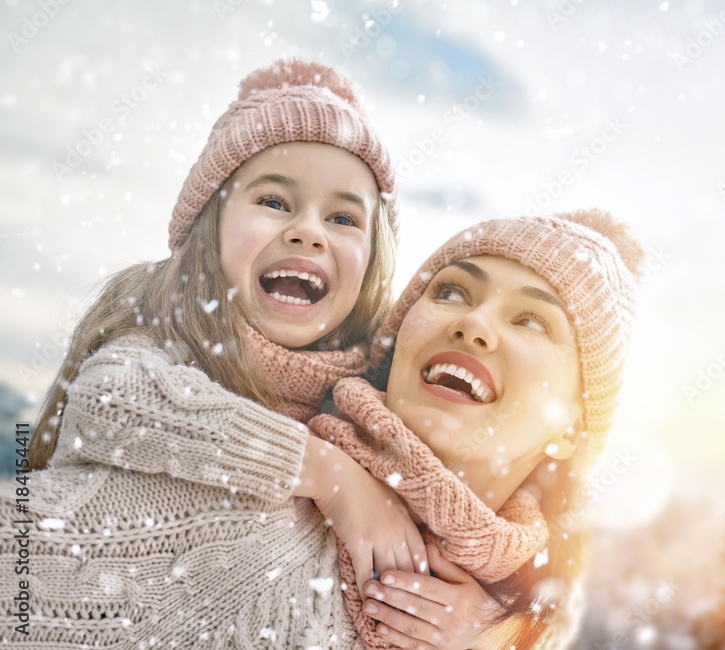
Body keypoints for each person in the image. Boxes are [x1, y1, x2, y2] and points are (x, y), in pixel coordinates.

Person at [5, 58, 428, 648]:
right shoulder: (167, 331)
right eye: (275, 202)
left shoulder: (371, 395)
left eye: (342, 217)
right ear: (211, 225)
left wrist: (487, 623)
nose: (310, 232)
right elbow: (112, 401)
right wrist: (330, 476)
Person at [307, 209, 644, 649]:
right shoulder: (265, 487)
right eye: (451, 292)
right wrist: (319, 469)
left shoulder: (531, 621)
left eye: (531, 321)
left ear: (570, 431)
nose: (474, 324)